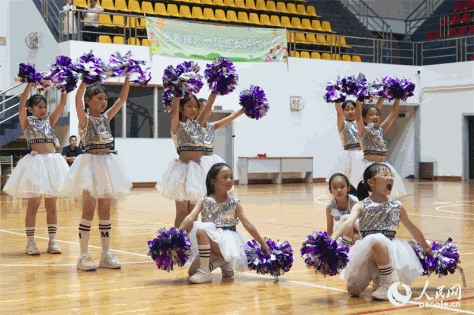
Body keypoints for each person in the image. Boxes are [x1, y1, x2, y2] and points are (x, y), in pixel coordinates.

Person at [60, 78, 132, 271]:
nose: (103, 102)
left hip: (108, 164)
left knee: (106, 212)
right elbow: (76, 99)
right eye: (99, 98)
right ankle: (83, 256)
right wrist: (84, 79)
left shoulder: (106, 118)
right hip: (90, 165)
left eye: (105, 98)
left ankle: (105, 254)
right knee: (88, 211)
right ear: (88, 100)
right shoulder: (84, 120)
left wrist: (127, 77)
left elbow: (122, 99)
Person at [332, 163, 431, 300]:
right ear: (371, 182)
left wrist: (427, 248)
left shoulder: (397, 206)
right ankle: (375, 272)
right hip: (365, 250)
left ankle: (386, 284)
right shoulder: (361, 205)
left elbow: (413, 228)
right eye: (385, 175)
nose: (390, 177)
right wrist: (331, 240)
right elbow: (348, 222)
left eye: (391, 175)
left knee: (377, 239)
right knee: (353, 290)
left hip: (389, 248)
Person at [3, 83, 69, 255]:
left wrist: (65, 86)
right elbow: (21, 104)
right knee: (33, 204)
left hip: (52, 164)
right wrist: (30, 84)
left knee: (52, 205)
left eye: (45, 107)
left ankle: (53, 242)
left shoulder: (49, 121)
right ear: (31, 109)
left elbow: (62, 104)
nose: (43, 110)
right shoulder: (27, 122)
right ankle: (30, 242)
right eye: (39, 107)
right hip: (36, 165)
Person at [179, 163, 270, 283]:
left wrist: (264, 245)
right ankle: (222, 262)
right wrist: (176, 234)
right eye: (225, 177)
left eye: (231, 177)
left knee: (201, 230)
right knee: (191, 272)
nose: (229, 180)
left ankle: (206, 271)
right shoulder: (204, 200)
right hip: (210, 244)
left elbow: (248, 225)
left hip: (227, 244)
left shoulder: (234, 203)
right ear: (213, 181)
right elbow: (191, 217)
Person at [157, 92, 215, 232]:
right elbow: (174, 110)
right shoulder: (177, 126)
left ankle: (190, 243)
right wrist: (177, 91)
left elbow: (207, 108)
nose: (194, 109)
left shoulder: (198, 124)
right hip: (182, 172)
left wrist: (215, 90)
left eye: (195, 106)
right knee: (182, 212)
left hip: (198, 172)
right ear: (182, 108)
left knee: (193, 212)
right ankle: (178, 242)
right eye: (189, 106)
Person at [350, 98, 406, 197]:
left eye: (377, 114)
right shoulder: (363, 131)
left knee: (385, 194)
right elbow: (358, 116)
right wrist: (359, 99)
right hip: (369, 166)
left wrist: (398, 98)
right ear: (364, 118)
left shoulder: (381, 129)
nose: (375, 116)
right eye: (371, 115)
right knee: (368, 194)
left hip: (383, 165)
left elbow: (393, 114)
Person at [326, 173, 360, 247]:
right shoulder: (330, 207)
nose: (339, 190)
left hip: (357, 228)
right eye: (335, 187)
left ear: (348, 188)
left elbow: (362, 221)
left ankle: (344, 249)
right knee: (354, 237)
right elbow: (329, 229)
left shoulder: (355, 201)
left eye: (342, 187)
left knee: (347, 219)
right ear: (330, 190)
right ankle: (346, 251)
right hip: (341, 231)